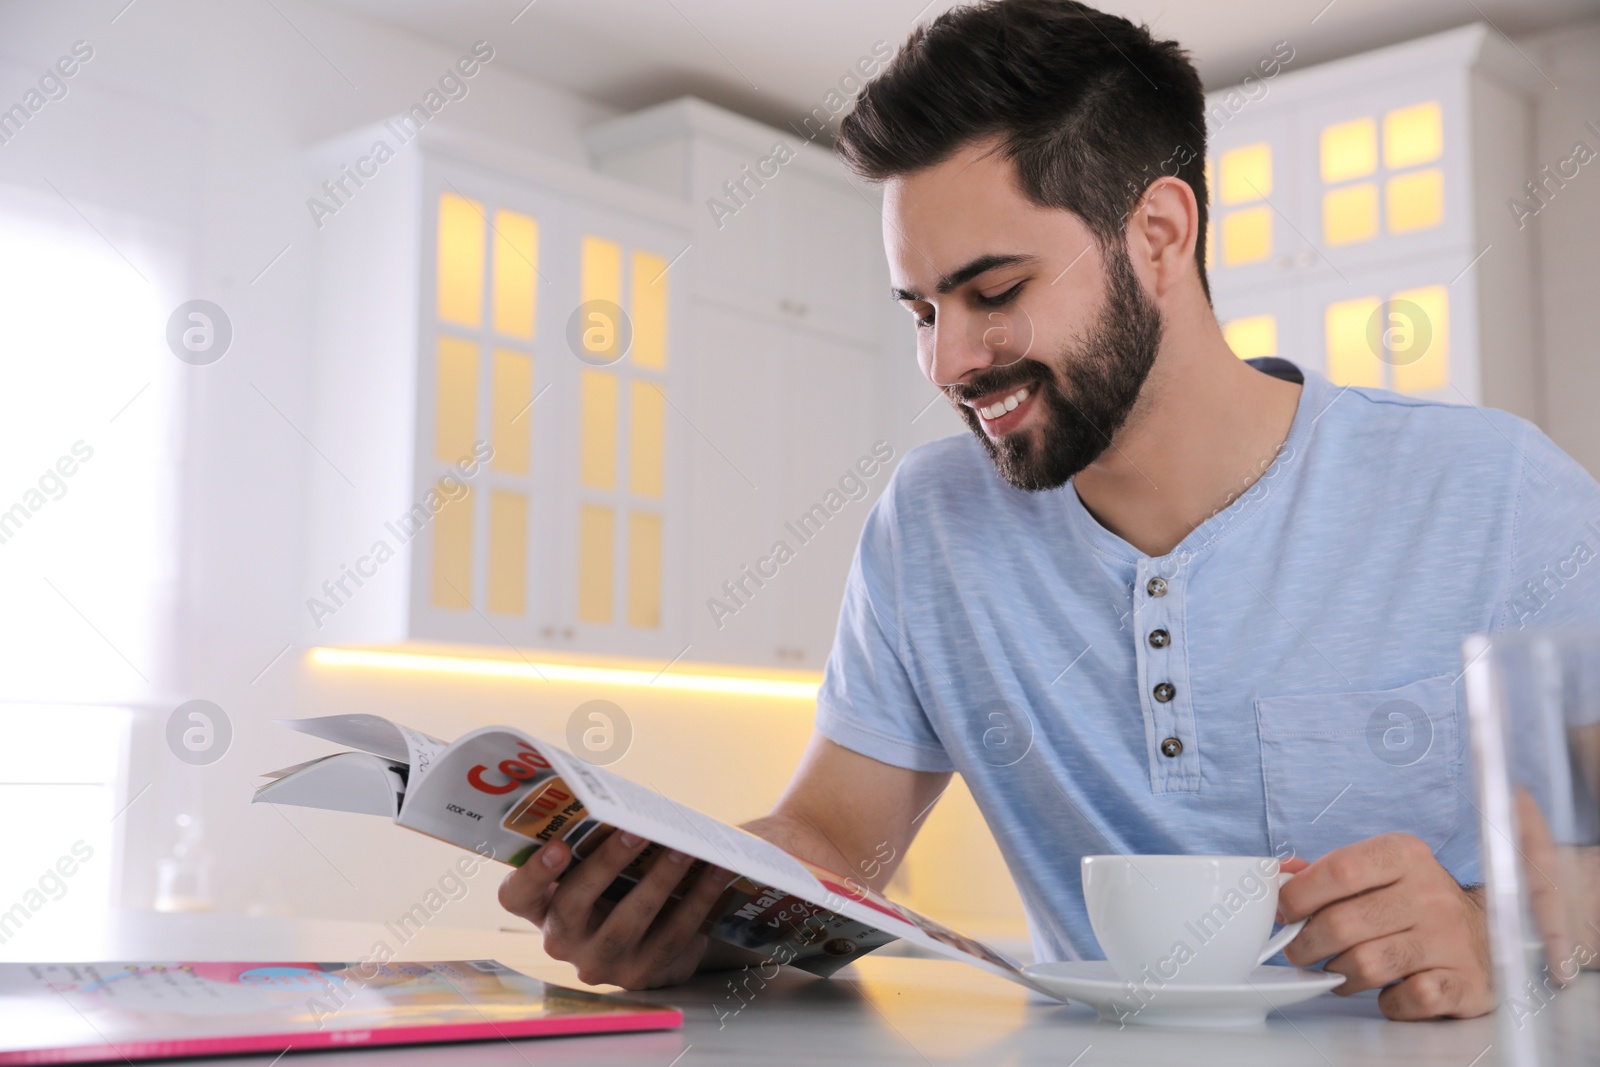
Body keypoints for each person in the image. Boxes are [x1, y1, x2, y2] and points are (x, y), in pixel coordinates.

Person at [500, 0, 1600, 1020]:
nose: (948, 359)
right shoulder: (928, 525)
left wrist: (1493, 928)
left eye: (995, 292)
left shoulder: (1491, 489)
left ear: (1160, 235)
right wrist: (691, 902)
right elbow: (834, 839)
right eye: (919, 308)